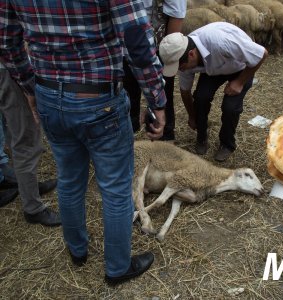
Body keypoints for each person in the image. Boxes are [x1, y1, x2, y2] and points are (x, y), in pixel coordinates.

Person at [0, 0, 166, 285]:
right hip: (99, 99)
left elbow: (6, 41)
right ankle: (117, 267)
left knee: (69, 178)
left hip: (49, 94)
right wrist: (156, 99)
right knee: (114, 188)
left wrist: (30, 86)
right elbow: (137, 37)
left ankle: (77, 250)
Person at [159, 22, 268, 162]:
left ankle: (227, 144)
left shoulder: (220, 42)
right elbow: (185, 91)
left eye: (181, 66)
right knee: (200, 98)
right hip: (213, 68)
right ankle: (201, 136)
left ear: (191, 54)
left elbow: (262, 53)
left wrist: (239, 82)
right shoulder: (184, 57)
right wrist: (192, 117)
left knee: (230, 107)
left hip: (240, 67)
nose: (180, 70)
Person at [0, 68, 59, 225]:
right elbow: (10, 48)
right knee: (25, 140)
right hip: (8, 71)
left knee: (12, 132)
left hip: (7, 70)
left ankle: (28, 186)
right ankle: (33, 208)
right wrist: (27, 84)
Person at [123, 0, 186, 138]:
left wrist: (168, 51)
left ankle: (163, 137)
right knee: (129, 91)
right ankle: (130, 134)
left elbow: (177, 13)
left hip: (157, 45)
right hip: (126, 42)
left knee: (163, 91)